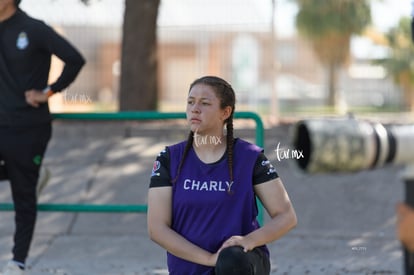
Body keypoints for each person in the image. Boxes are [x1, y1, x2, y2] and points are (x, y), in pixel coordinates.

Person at [148, 76, 297, 275]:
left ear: (225, 112)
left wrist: (249, 241)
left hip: (238, 265)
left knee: (232, 260)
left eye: (205, 103)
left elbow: (286, 216)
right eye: (190, 102)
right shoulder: (169, 158)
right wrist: (209, 259)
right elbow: (157, 228)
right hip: (190, 267)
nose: (195, 109)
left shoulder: (250, 157)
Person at [0, 0, 85, 274]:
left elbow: (75, 59)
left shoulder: (33, 29)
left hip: (28, 126)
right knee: (21, 179)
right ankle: (24, 174)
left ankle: (18, 261)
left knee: (23, 196)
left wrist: (48, 92)